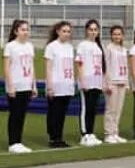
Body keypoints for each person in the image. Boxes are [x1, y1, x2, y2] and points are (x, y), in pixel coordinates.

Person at [2, 19, 36, 154]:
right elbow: (6, 67)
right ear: (16, 31)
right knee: (15, 114)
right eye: (23, 29)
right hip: (15, 85)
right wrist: (10, 86)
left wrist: (33, 85)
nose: (25, 32)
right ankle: (13, 142)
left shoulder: (29, 46)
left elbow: (31, 66)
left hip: (26, 84)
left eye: (27, 29)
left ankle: (18, 141)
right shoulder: (10, 46)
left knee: (22, 114)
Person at [43, 21, 74, 149]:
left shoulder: (70, 47)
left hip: (67, 84)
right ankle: (53, 137)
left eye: (68, 31)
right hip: (56, 84)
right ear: (58, 32)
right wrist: (50, 86)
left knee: (62, 113)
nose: (66, 34)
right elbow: (49, 68)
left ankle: (59, 137)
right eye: (64, 31)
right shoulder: (51, 47)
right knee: (54, 112)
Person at [75, 19, 105, 147]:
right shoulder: (83, 45)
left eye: (95, 30)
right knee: (86, 108)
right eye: (91, 30)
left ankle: (91, 132)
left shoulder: (98, 46)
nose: (93, 32)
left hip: (96, 80)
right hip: (87, 79)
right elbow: (79, 63)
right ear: (86, 31)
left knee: (93, 108)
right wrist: (82, 81)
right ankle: (85, 134)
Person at [102, 24, 129, 144]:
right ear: (111, 36)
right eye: (114, 34)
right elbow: (106, 66)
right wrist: (106, 83)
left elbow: (125, 67)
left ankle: (115, 132)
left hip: (122, 81)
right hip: (112, 81)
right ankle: (108, 133)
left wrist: (127, 83)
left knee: (118, 110)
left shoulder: (124, 49)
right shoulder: (109, 48)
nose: (117, 36)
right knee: (111, 109)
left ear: (122, 35)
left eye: (119, 34)